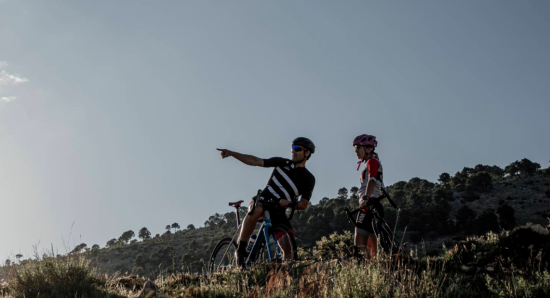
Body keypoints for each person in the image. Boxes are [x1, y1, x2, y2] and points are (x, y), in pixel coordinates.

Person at [217, 137, 316, 265]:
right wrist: (232, 153)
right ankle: (241, 249)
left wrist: (290, 204)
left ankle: (284, 276)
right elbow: (255, 161)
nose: (293, 151)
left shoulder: (309, 178)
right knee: (257, 208)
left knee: (289, 246)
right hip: (264, 200)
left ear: (307, 153)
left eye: (297, 149)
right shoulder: (282, 163)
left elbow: (303, 204)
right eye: (292, 148)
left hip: (279, 210)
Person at [352, 134, 384, 258]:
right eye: (355, 149)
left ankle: (360, 265)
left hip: (369, 204)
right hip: (375, 204)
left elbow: (372, 181)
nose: (355, 151)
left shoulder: (372, 161)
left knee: (359, 236)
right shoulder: (374, 163)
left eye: (358, 148)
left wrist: (366, 198)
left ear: (368, 149)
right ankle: (372, 266)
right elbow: (380, 186)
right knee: (371, 239)